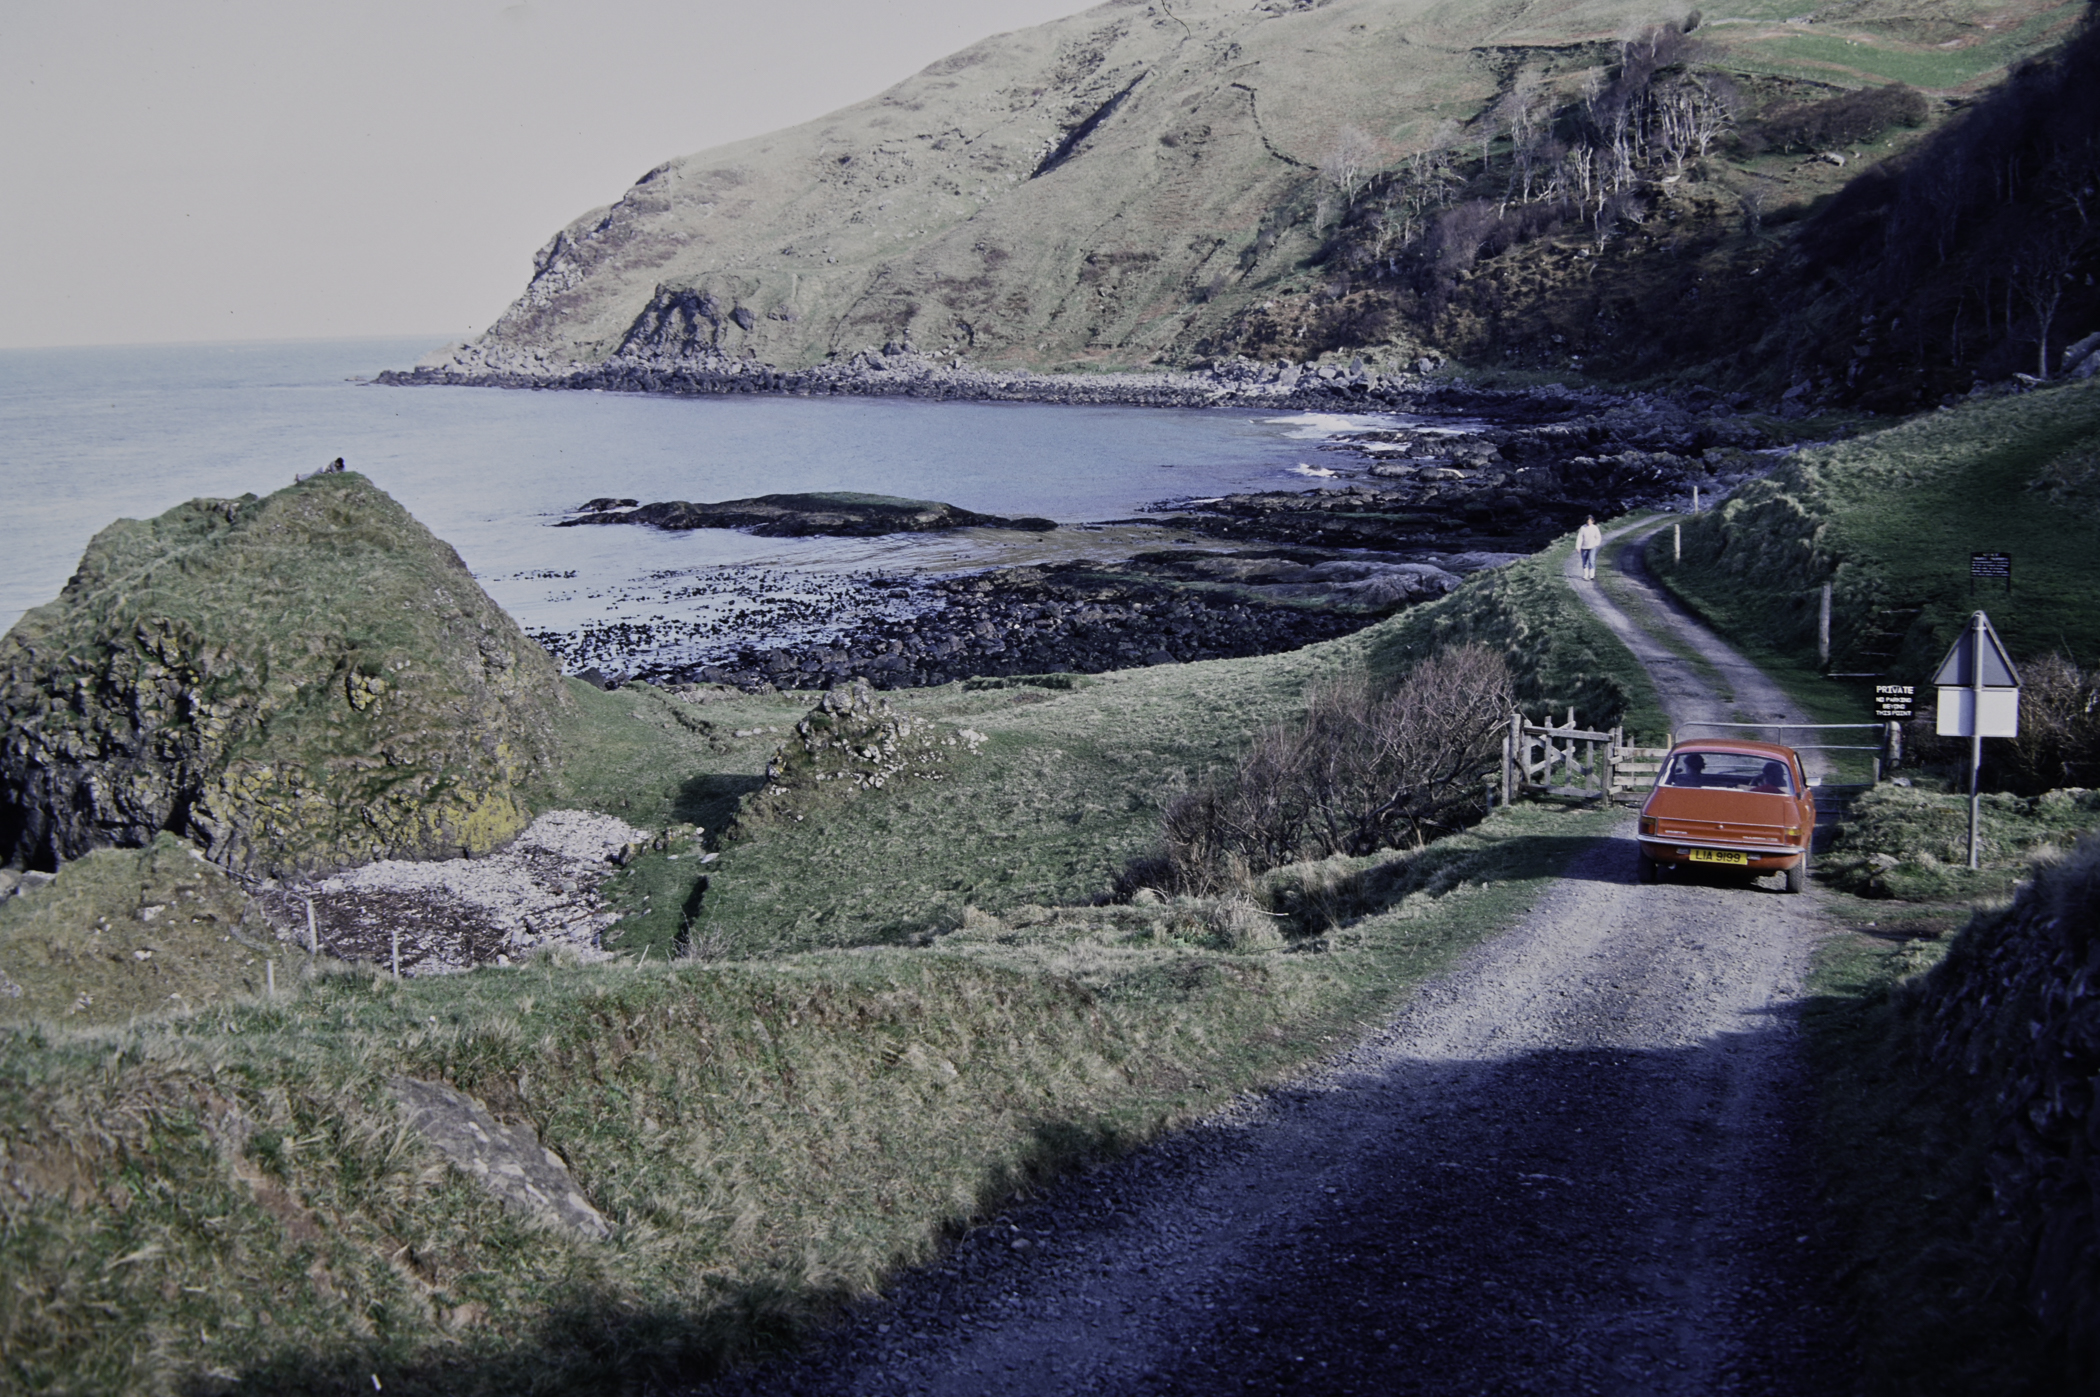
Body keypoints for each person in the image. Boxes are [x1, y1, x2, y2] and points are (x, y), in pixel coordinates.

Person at [1576, 516, 1603, 580]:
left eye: (1590, 521)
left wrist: (1596, 544)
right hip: (1584, 547)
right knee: (1584, 561)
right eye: (1588, 521)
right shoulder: (1583, 528)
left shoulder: (1595, 528)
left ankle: (1592, 575)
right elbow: (1580, 538)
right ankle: (1585, 575)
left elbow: (1598, 537)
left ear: (1593, 521)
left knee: (1591, 560)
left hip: (1592, 547)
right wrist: (1578, 547)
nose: (1589, 522)